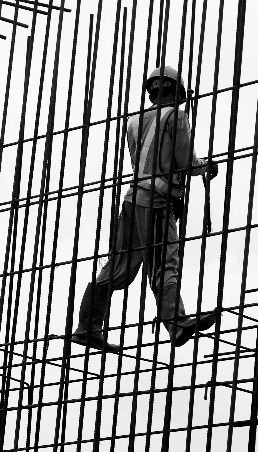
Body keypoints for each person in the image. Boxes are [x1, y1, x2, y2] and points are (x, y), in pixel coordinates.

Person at [70, 65, 221, 354]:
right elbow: (185, 162)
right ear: (177, 91)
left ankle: (87, 327)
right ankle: (175, 322)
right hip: (157, 203)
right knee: (165, 263)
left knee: (117, 268)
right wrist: (206, 167)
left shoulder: (135, 120)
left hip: (132, 199)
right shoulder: (176, 116)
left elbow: (141, 161)